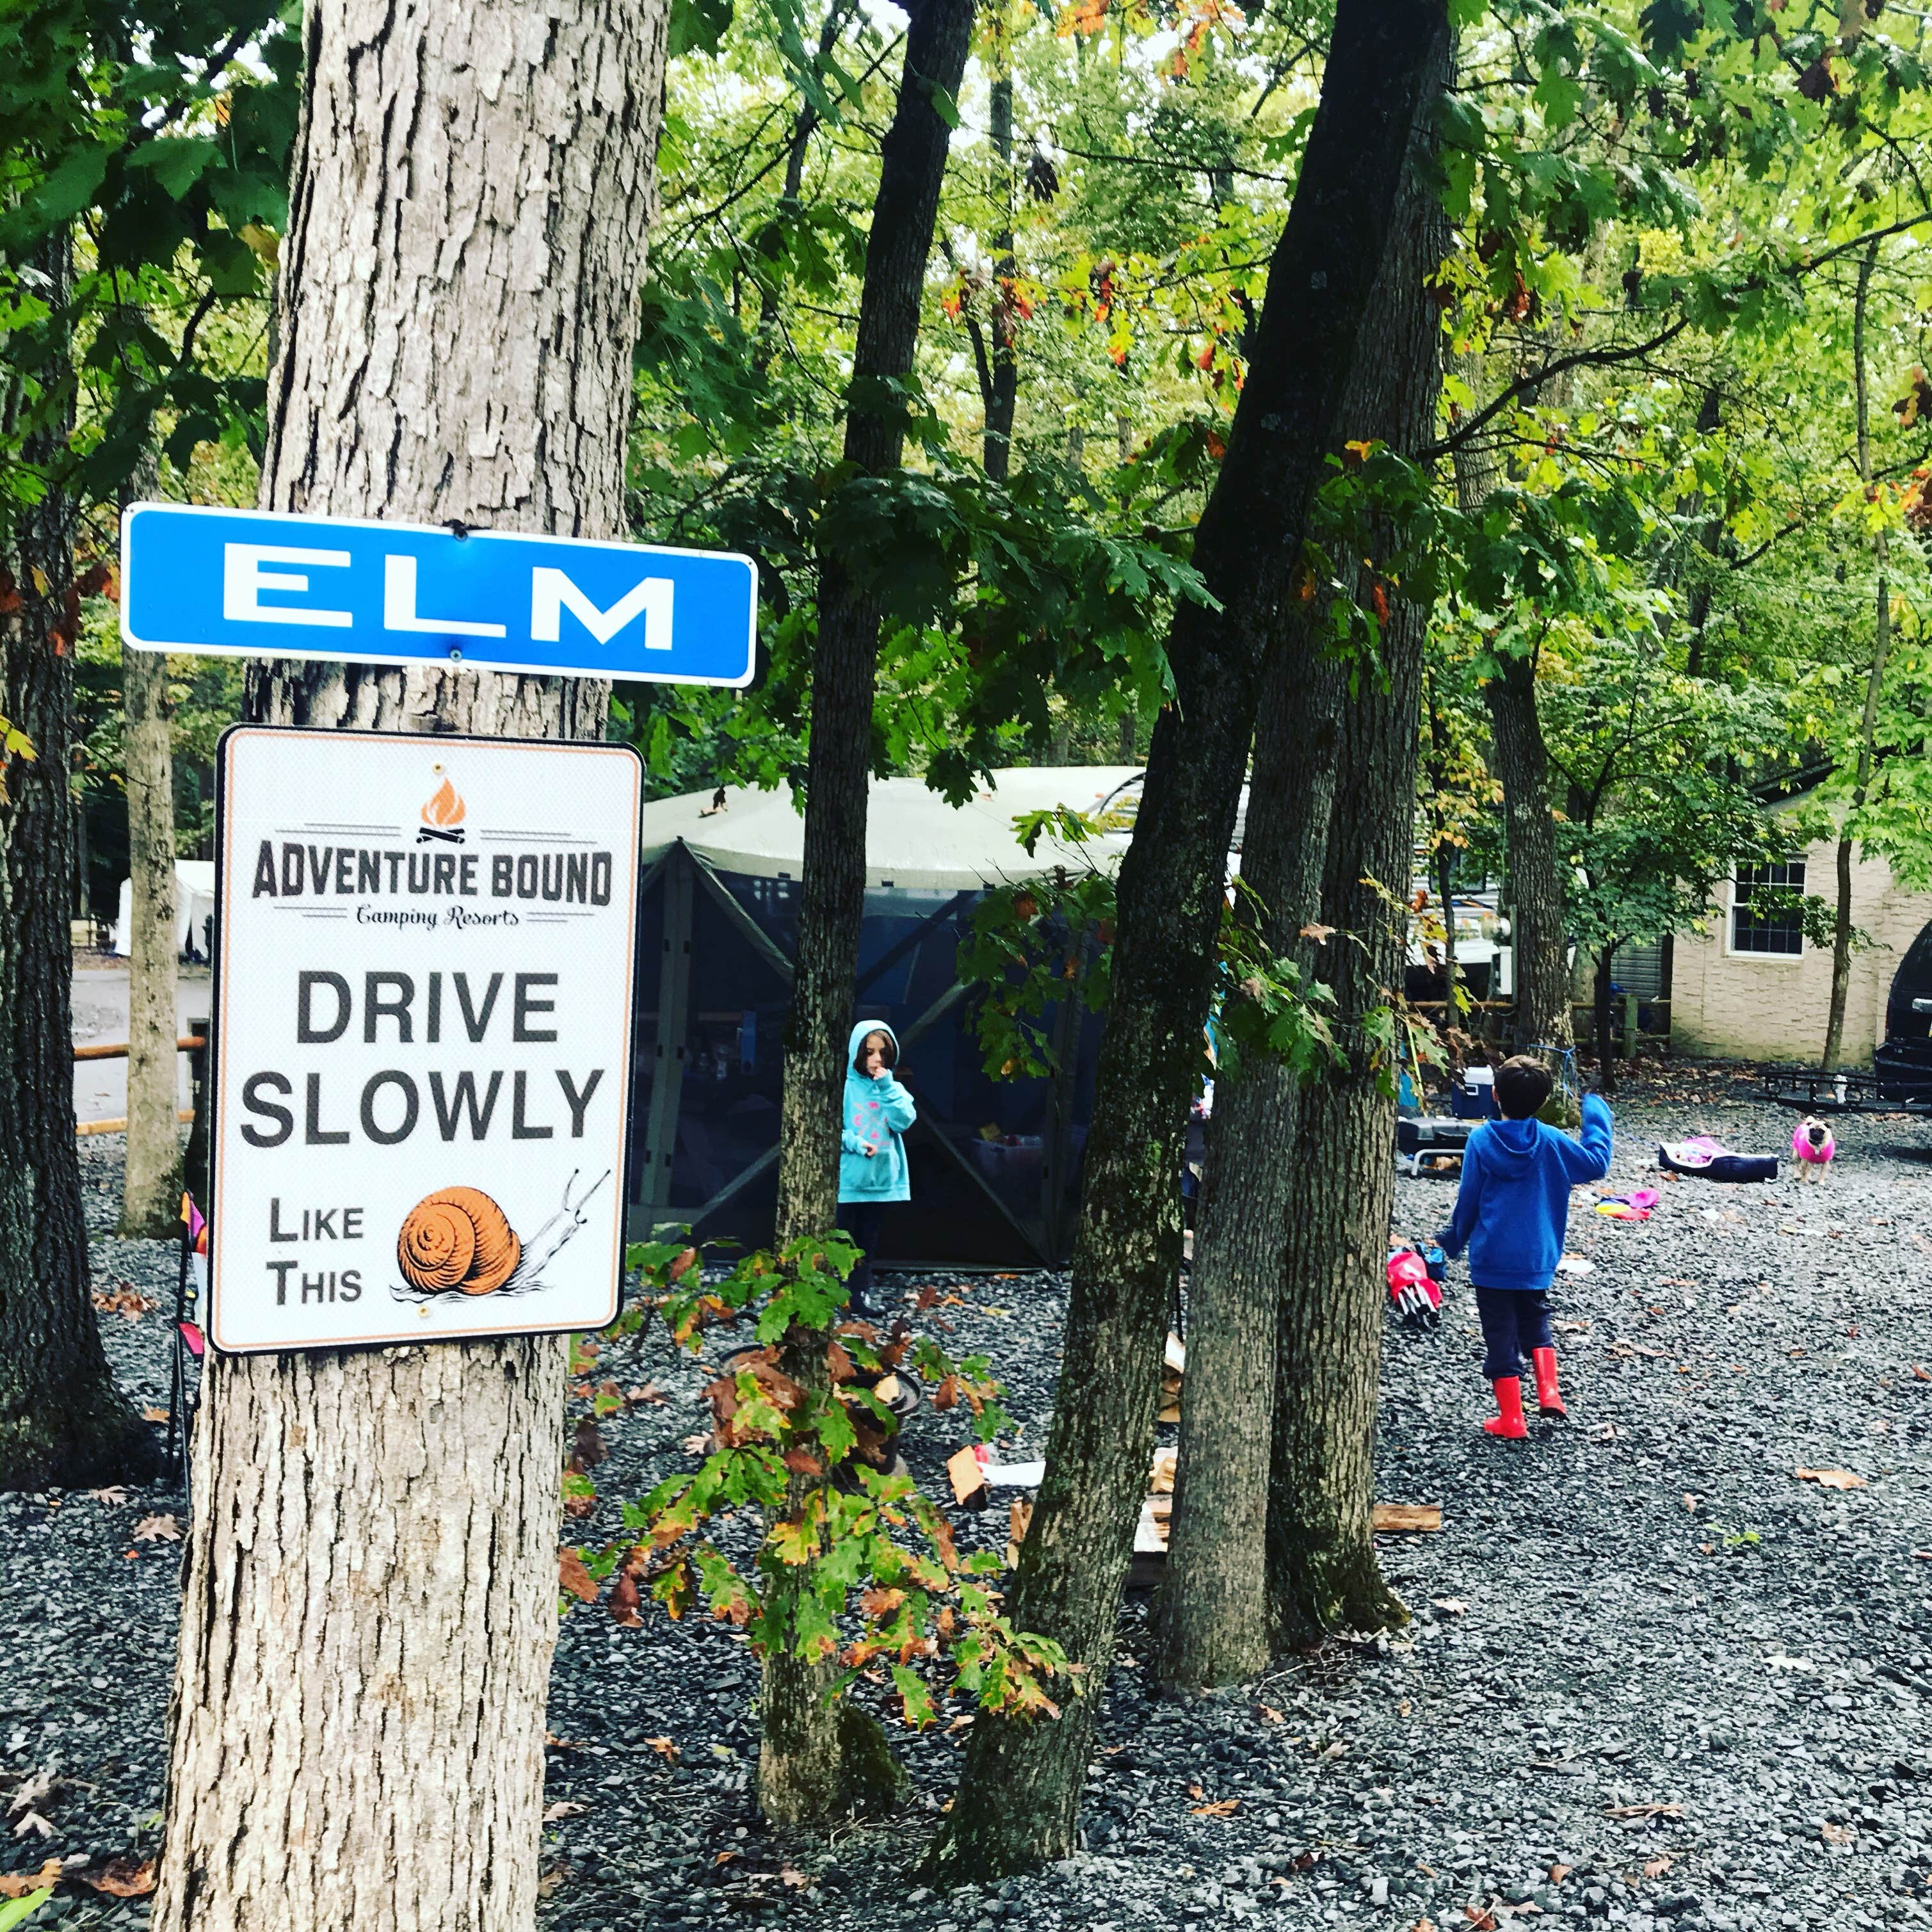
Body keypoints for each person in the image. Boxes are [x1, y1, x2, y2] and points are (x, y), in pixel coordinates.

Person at [1435, 1054, 1612, 1438]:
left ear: (1494, 1094)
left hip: (1492, 1259)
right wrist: (1596, 1113)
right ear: (1543, 1100)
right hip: (1536, 1257)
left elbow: (1468, 1201)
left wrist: (1450, 1242)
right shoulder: (1551, 1140)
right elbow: (1597, 1162)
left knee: (1500, 1333)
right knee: (1535, 1317)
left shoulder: (1481, 1140)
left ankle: (1512, 1419)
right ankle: (1550, 1395)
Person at [838, 1020, 915, 1319]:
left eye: (883, 1052)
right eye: (870, 1052)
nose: (877, 1060)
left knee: (867, 1241)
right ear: (858, 1053)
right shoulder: (847, 1088)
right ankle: (837, 1294)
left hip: (881, 1180)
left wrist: (887, 1087)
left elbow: (903, 1121)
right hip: (850, 1179)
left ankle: (860, 1294)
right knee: (842, 1237)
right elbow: (834, 1130)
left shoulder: (892, 1088)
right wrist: (857, 1144)